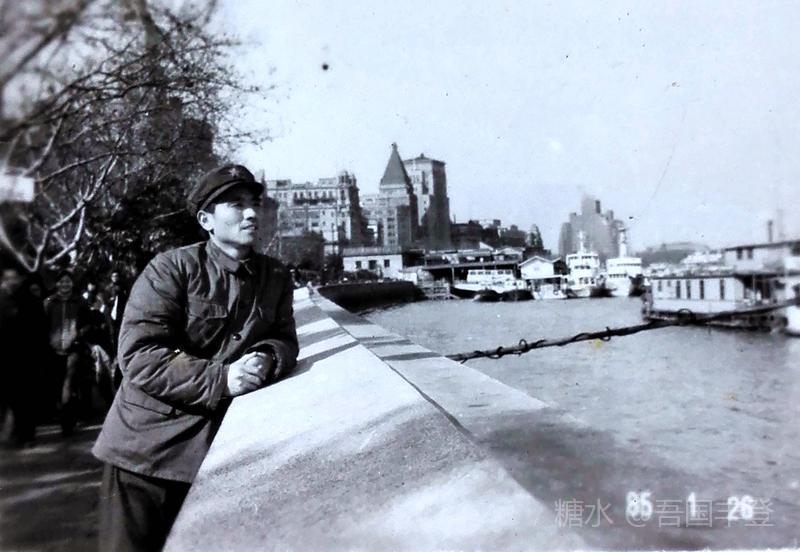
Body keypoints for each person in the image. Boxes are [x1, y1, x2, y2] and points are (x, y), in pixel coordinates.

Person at [92, 164, 299, 551]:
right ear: (206, 220)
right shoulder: (171, 269)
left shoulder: (275, 276)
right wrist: (222, 379)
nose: (251, 213)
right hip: (144, 453)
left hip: (213, 458)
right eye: (235, 205)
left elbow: (285, 338)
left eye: (254, 203)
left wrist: (268, 356)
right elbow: (138, 355)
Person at [0, 262, 50, 447]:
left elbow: (41, 328)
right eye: (8, 278)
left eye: (14, 278)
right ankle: (16, 433)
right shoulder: (2, 300)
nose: (11, 281)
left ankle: (27, 435)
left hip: (27, 358)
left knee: (26, 397)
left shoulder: (30, 300)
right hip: (5, 358)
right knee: (11, 397)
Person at [43, 270, 93, 434]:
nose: (65, 284)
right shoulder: (49, 303)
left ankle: (67, 422)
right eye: (62, 281)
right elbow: (42, 325)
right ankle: (66, 415)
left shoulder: (80, 302)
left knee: (68, 383)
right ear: (57, 284)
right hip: (53, 350)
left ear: (72, 284)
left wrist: (79, 334)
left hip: (74, 348)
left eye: (68, 281)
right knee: (57, 384)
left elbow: (89, 323)